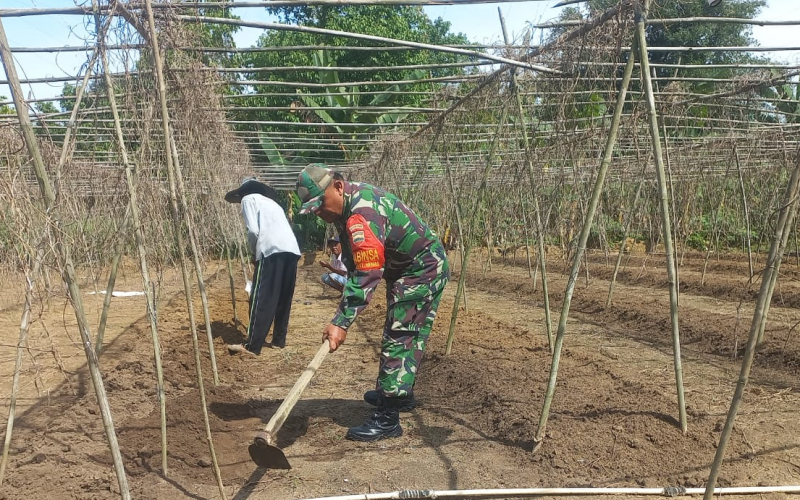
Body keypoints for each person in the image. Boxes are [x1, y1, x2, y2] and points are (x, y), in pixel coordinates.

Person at [296, 164, 450, 442]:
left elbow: (368, 273)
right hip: (408, 268)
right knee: (406, 331)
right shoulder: (348, 209)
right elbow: (360, 265)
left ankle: (388, 417)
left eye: (320, 204)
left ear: (338, 187)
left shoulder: (361, 214)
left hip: (421, 268)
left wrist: (340, 322)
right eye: (313, 209)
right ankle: (400, 394)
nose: (319, 212)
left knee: (400, 334)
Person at [224, 178, 301, 355]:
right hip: (291, 249)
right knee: (283, 296)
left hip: (270, 249)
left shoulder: (248, 199)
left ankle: (252, 345)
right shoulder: (274, 204)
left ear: (243, 192)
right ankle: (278, 341)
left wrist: (254, 253)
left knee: (262, 296)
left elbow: (253, 230)